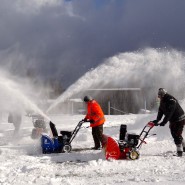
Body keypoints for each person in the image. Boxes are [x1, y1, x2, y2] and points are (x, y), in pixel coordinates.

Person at [153, 88, 185, 157]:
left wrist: (164, 122)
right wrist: (157, 120)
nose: (159, 97)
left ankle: (179, 151)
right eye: (158, 95)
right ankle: (184, 146)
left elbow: (169, 113)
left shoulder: (171, 101)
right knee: (175, 133)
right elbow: (160, 111)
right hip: (173, 120)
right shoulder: (163, 100)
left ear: (163, 95)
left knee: (176, 134)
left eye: (160, 95)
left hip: (180, 119)